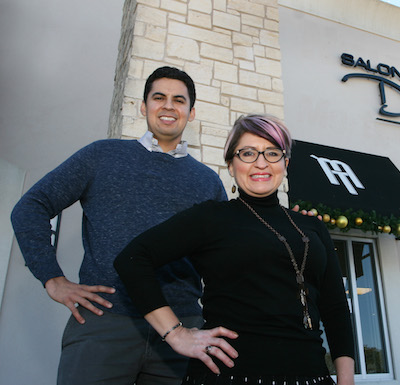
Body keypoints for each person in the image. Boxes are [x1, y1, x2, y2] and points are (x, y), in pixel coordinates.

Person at [11, 66, 228, 384]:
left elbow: (224, 258)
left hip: (183, 330)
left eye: (178, 100)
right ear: (143, 107)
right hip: (104, 323)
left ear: (191, 112)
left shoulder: (208, 182)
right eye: (159, 97)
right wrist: (52, 278)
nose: (168, 106)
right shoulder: (101, 155)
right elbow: (30, 206)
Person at [114, 114, 356, 385]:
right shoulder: (211, 218)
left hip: (312, 377)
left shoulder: (312, 226)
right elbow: (133, 259)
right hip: (230, 376)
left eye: (272, 153)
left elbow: (335, 308)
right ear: (231, 164)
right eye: (248, 153)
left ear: (285, 163)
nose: (261, 163)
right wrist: (176, 333)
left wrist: (346, 380)